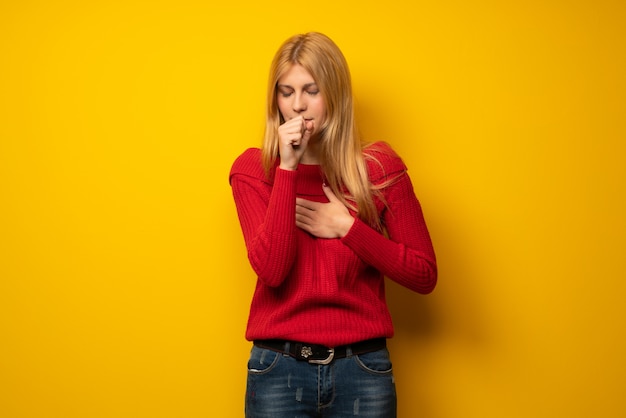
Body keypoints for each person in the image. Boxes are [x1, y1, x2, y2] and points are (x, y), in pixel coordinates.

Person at [229, 32, 437, 418]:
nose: (298, 106)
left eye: (312, 90)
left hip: (362, 369)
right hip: (278, 369)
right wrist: (288, 168)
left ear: (336, 95)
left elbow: (424, 275)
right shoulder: (254, 171)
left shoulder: (376, 169)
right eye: (286, 92)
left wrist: (348, 228)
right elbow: (272, 271)